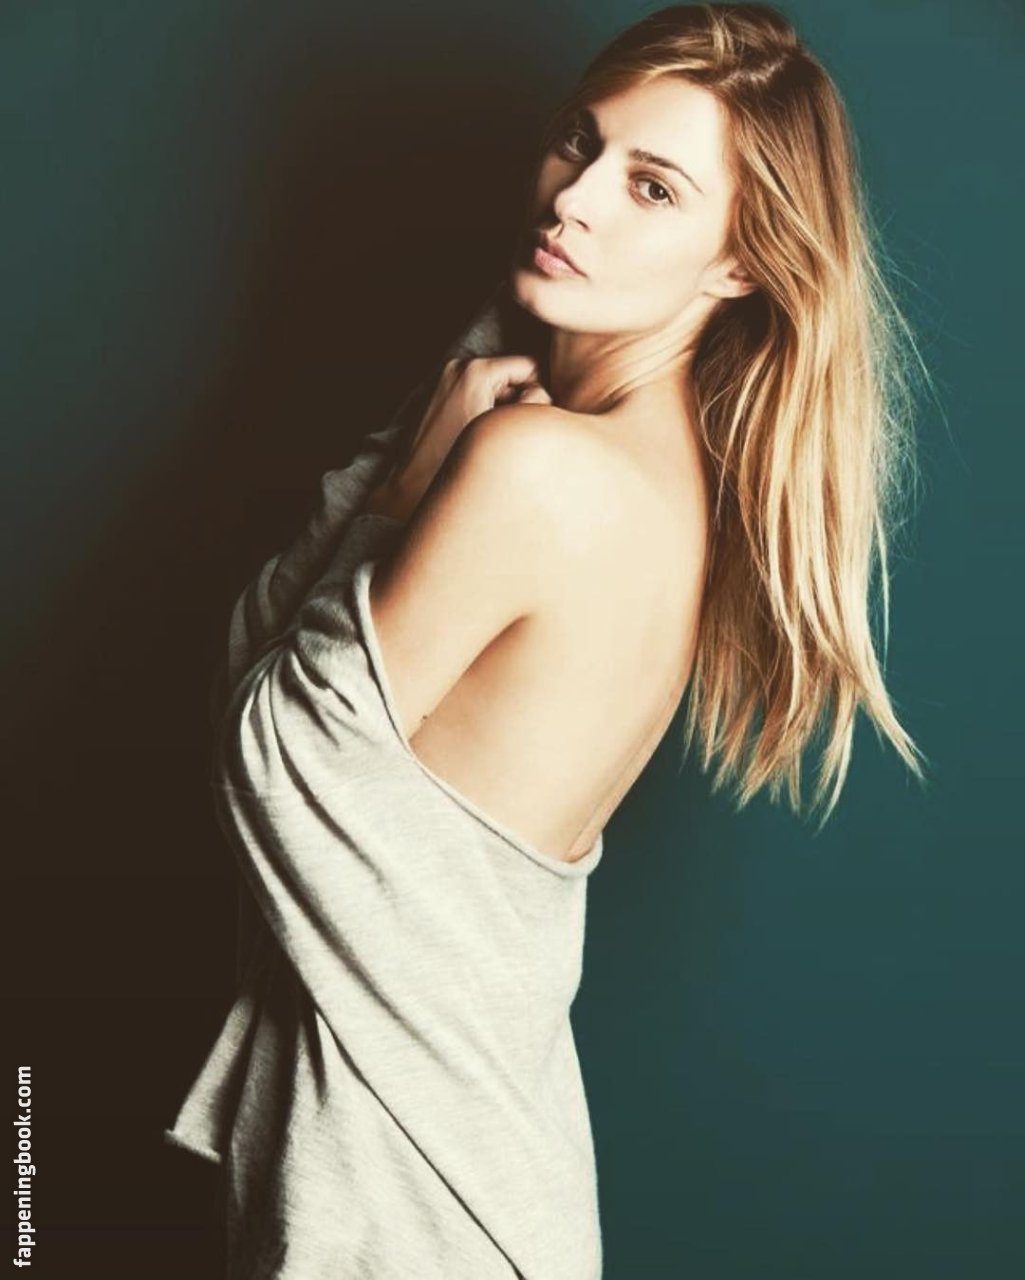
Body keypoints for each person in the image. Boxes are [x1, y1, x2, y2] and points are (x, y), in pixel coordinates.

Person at [164, 6, 931, 1276]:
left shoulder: (534, 467)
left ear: (738, 262)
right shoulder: (661, 486)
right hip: (464, 1179)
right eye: (578, 141)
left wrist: (399, 490)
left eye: (651, 187)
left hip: (402, 1200)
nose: (574, 198)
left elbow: (263, 746)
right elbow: (279, 684)